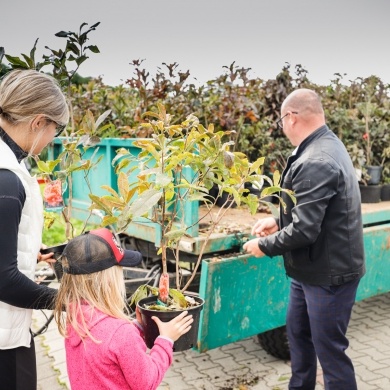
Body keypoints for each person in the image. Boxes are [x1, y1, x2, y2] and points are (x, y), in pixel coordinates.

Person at [243, 89, 365, 390]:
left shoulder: (316, 159)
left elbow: (305, 229)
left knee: (331, 354)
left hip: (328, 275)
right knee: (298, 334)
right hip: (310, 269)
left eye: (282, 120)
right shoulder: (325, 144)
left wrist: (264, 246)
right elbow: (315, 211)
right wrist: (277, 220)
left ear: (291, 117)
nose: (283, 128)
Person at [53, 227, 194, 390]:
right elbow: (147, 382)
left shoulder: (76, 319)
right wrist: (165, 340)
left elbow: (110, 345)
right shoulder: (121, 333)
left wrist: (138, 327)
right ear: (109, 280)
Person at [0, 69, 69, 390]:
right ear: (38, 121)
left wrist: (30, 252)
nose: (54, 138)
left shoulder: (11, 162)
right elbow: (4, 280)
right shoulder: (6, 177)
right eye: (57, 127)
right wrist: (65, 300)